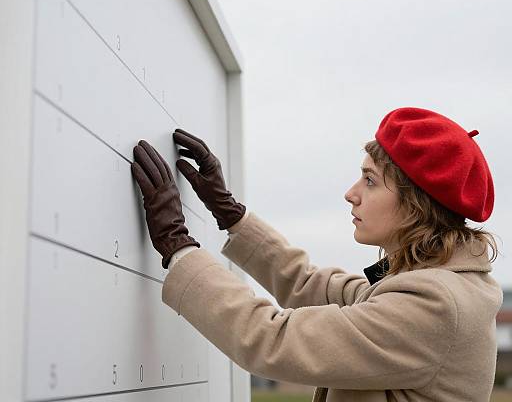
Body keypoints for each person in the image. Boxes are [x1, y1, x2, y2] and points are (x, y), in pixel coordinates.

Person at [131, 106, 503, 402]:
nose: (351, 192)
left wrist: (177, 245)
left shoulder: (432, 304)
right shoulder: (428, 282)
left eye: (370, 180)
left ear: (415, 206)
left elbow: (273, 339)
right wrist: (230, 214)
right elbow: (311, 285)